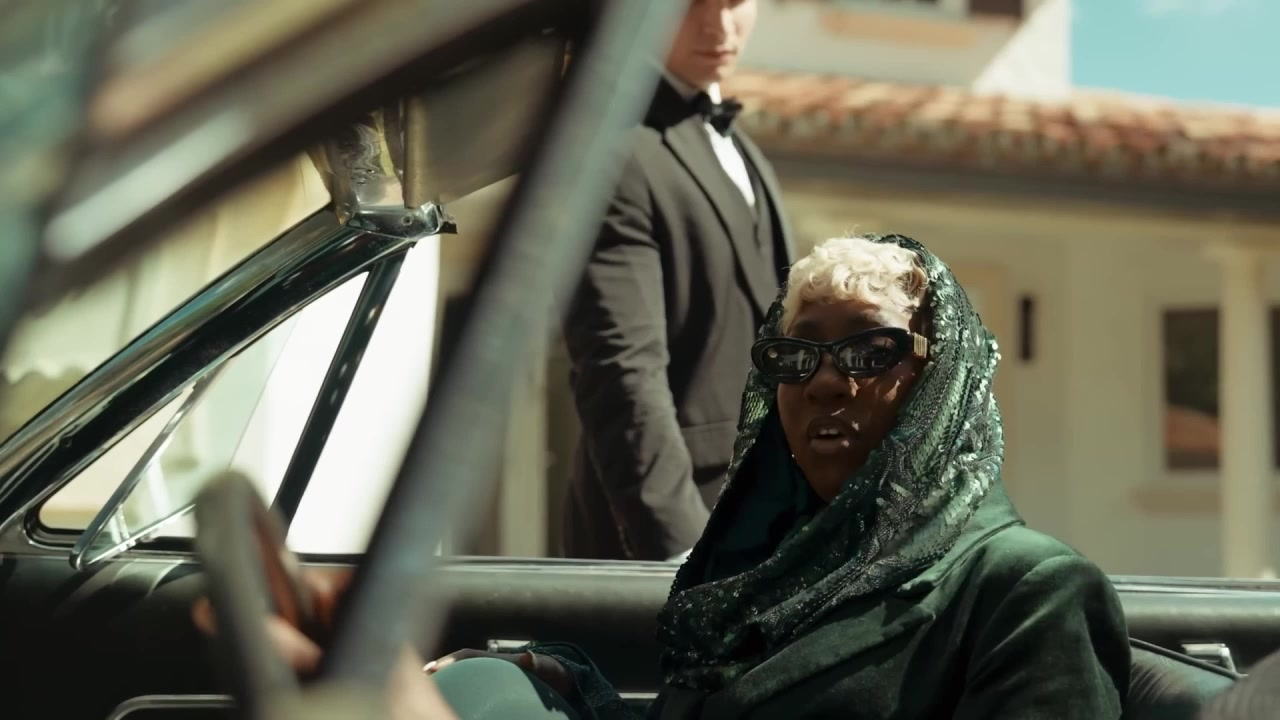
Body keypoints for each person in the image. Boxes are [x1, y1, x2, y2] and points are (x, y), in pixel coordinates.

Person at [203, 234, 1132, 719]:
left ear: (941, 382)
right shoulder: (773, 569)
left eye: (871, 350)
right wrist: (567, 683)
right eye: (798, 355)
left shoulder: (1028, 591)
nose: (827, 382)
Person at [561, 0, 794, 561]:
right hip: (673, 542)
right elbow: (621, 368)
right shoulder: (611, 149)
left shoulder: (743, 152)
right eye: (691, 3)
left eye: (734, 1)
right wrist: (677, 550)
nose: (718, 26)